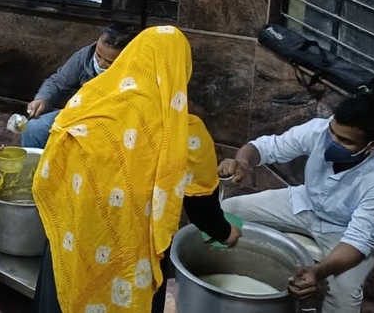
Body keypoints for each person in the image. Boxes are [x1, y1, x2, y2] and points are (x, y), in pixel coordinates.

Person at [32, 26, 241, 313]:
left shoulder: (89, 101)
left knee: (63, 293)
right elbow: (200, 203)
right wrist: (225, 232)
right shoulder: (185, 133)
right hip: (129, 248)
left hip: (75, 233)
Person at [219, 93, 374, 313]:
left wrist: (319, 270)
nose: (333, 142)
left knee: (343, 291)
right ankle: (224, 279)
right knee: (225, 213)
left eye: (345, 141)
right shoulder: (318, 131)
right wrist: (243, 161)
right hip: (309, 202)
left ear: (371, 147)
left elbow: (357, 241)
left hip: (347, 230)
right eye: (332, 133)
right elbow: (268, 147)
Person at [21, 23, 139, 149]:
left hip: (114, 123)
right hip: (78, 114)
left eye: (109, 62)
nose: (100, 64)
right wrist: (42, 99)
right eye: (98, 55)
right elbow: (57, 82)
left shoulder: (137, 72)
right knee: (34, 130)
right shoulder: (85, 56)